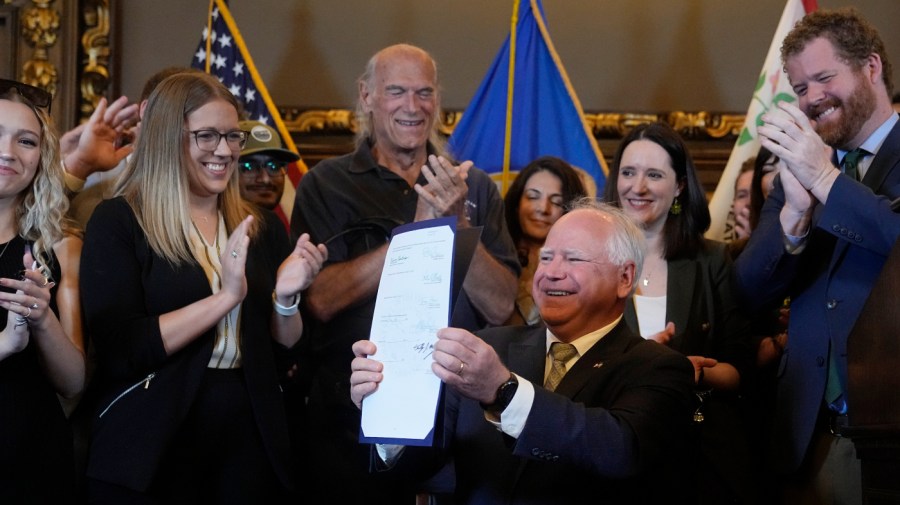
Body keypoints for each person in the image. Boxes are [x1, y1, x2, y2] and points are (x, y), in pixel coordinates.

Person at [80, 72, 327, 503]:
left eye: (232, 136)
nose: (226, 150)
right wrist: (225, 298)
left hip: (250, 430)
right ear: (166, 137)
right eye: (208, 135)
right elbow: (122, 348)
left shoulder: (262, 227)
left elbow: (284, 352)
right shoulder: (119, 221)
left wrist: (286, 300)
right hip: (155, 435)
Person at [290, 43, 520, 504]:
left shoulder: (471, 186)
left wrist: (457, 225)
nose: (412, 107)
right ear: (367, 96)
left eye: (424, 92)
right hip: (354, 411)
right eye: (396, 91)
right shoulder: (327, 183)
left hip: (460, 413)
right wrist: (419, 231)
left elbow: (500, 306)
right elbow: (320, 300)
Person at [350, 201, 696, 504]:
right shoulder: (486, 347)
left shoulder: (659, 368)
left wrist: (504, 392)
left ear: (624, 278)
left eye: (573, 258)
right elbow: (424, 470)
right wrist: (387, 414)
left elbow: (619, 451)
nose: (551, 273)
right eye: (545, 258)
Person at [734, 7, 900, 503]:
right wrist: (795, 217)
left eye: (824, 78)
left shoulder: (816, 164)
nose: (811, 99)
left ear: (871, 67)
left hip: (891, 424)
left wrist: (826, 181)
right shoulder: (802, 165)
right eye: (800, 87)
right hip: (805, 435)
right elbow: (747, 290)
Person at [603, 121, 754, 504]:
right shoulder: (590, 263)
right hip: (612, 457)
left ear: (679, 186)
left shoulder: (712, 260)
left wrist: (685, 369)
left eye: (654, 175)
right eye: (628, 172)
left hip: (701, 459)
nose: (637, 187)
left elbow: (739, 370)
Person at [0, 79, 85, 502]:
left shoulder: (59, 246)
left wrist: (42, 319)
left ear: (42, 158)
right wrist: (5, 343)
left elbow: (74, 383)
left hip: (30, 460)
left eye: (26, 140)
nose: (7, 152)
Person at [65, 66, 199, 227]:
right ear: (147, 109)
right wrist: (80, 165)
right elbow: (35, 221)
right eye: (187, 112)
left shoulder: (215, 184)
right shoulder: (93, 180)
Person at [503, 156, 586, 325]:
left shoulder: (582, 267)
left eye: (556, 202)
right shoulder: (494, 255)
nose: (543, 209)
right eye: (533, 197)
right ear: (517, 202)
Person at [237, 120, 296, 211]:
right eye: (249, 167)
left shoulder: (273, 224)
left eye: (274, 166)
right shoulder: (210, 223)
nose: (265, 179)